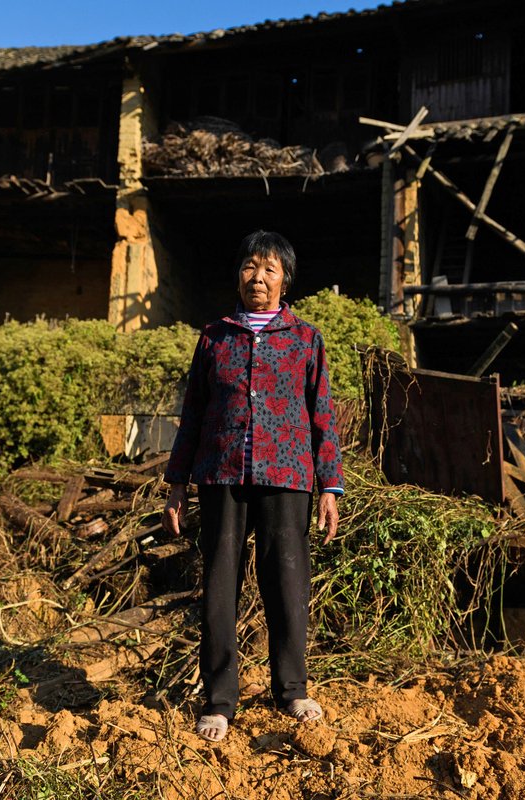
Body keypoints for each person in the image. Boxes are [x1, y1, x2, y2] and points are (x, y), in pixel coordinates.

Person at [162, 230, 344, 743]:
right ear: (238, 275)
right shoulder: (214, 337)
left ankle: (291, 689)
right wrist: (177, 483)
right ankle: (218, 701)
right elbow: (193, 415)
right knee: (220, 583)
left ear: (285, 280)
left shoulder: (306, 339)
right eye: (249, 267)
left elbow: (322, 417)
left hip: (287, 476)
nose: (257, 278)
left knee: (287, 583)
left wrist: (330, 486)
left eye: (269, 269)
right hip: (220, 472)